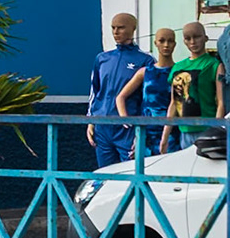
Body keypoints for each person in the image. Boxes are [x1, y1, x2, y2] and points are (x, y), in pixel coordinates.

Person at [88, 12, 155, 167]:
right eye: (113, 28)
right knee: (105, 174)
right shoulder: (102, 58)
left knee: (131, 172)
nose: (116, 32)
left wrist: (141, 130)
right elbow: (95, 90)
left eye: (121, 28)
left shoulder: (145, 60)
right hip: (102, 124)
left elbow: (148, 99)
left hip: (127, 126)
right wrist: (91, 120)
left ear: (133, 29)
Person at [118, 27, 178, 155]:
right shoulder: (145, 72)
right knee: (144, 170)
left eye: (170, 41)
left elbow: (177, 103)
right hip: (147, 131)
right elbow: (121, 97)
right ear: (155, 43)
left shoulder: (178, 72)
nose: (166, 45)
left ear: (175, 44)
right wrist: (126, 120)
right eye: (162, 41)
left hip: (171, 131)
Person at [170, 21, 223, 145]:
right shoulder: (178, 67)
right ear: (184, 41)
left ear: (205, 38)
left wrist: (218, 129)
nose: (193, 42)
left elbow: (220, 101)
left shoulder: (213, 65)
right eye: (188, 38)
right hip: (184, 129)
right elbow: (174, 102)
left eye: (197, 37)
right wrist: (165, 135)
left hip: (207, 127)